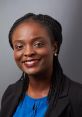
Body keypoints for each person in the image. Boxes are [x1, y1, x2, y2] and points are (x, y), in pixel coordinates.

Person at [0, 13, 82, 117]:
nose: (28, 52)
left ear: (54, 47)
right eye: (19, 46)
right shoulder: (10, 93)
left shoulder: (78, 97)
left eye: (38, 44)